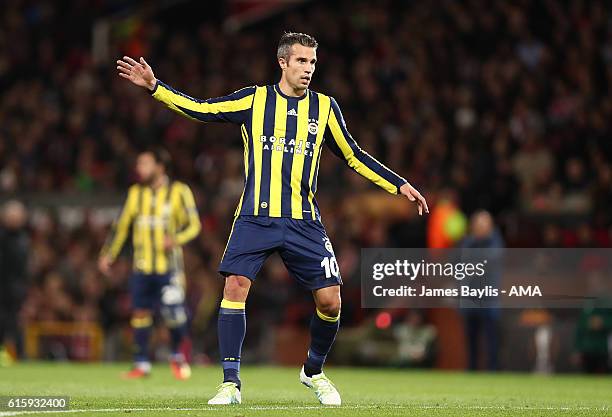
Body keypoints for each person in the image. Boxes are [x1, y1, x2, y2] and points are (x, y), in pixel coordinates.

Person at [116, 32, 428, 405]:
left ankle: (313, 371)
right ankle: (230, 383)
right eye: (301, 61)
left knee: (331, 301)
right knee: (235, 288)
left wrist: (399, 184)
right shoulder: (254, 99)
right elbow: (202, 109)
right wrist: (155, 87)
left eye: (312, 62)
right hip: (255, 216)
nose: (308, 69)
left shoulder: (326, 108)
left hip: (303, 219)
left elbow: (354, 155)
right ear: (283, 62)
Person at [98, 148, 201, 380]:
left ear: (160, 166)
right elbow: (121, 226)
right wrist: (108, 254)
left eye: (144, 164)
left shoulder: (179, 191)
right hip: (142, 267)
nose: (139, 169)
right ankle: (142, 364)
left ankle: (178, 357)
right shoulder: (135, 194)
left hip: (170, 268)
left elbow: (194, 225)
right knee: (141, 314)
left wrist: (175, 239)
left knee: (174, 313)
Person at [460, 210, 504, 371]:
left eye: (484, 225)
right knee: (471, 339)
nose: (480, 228)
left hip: (489, 299)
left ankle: (493, 371)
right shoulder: (468, 242)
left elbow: (485, 261)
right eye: (478, 225)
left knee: (492, 340)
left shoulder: (495, 243)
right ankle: (471, 370)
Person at [0, 200, 29, 366]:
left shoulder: (23, 239)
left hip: (16, 288)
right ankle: (2, 353)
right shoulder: (4, 238)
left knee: (17, 322)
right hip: (2, 286)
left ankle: (21, 355)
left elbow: (22, 268)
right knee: (2, 322)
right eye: (12, 216)